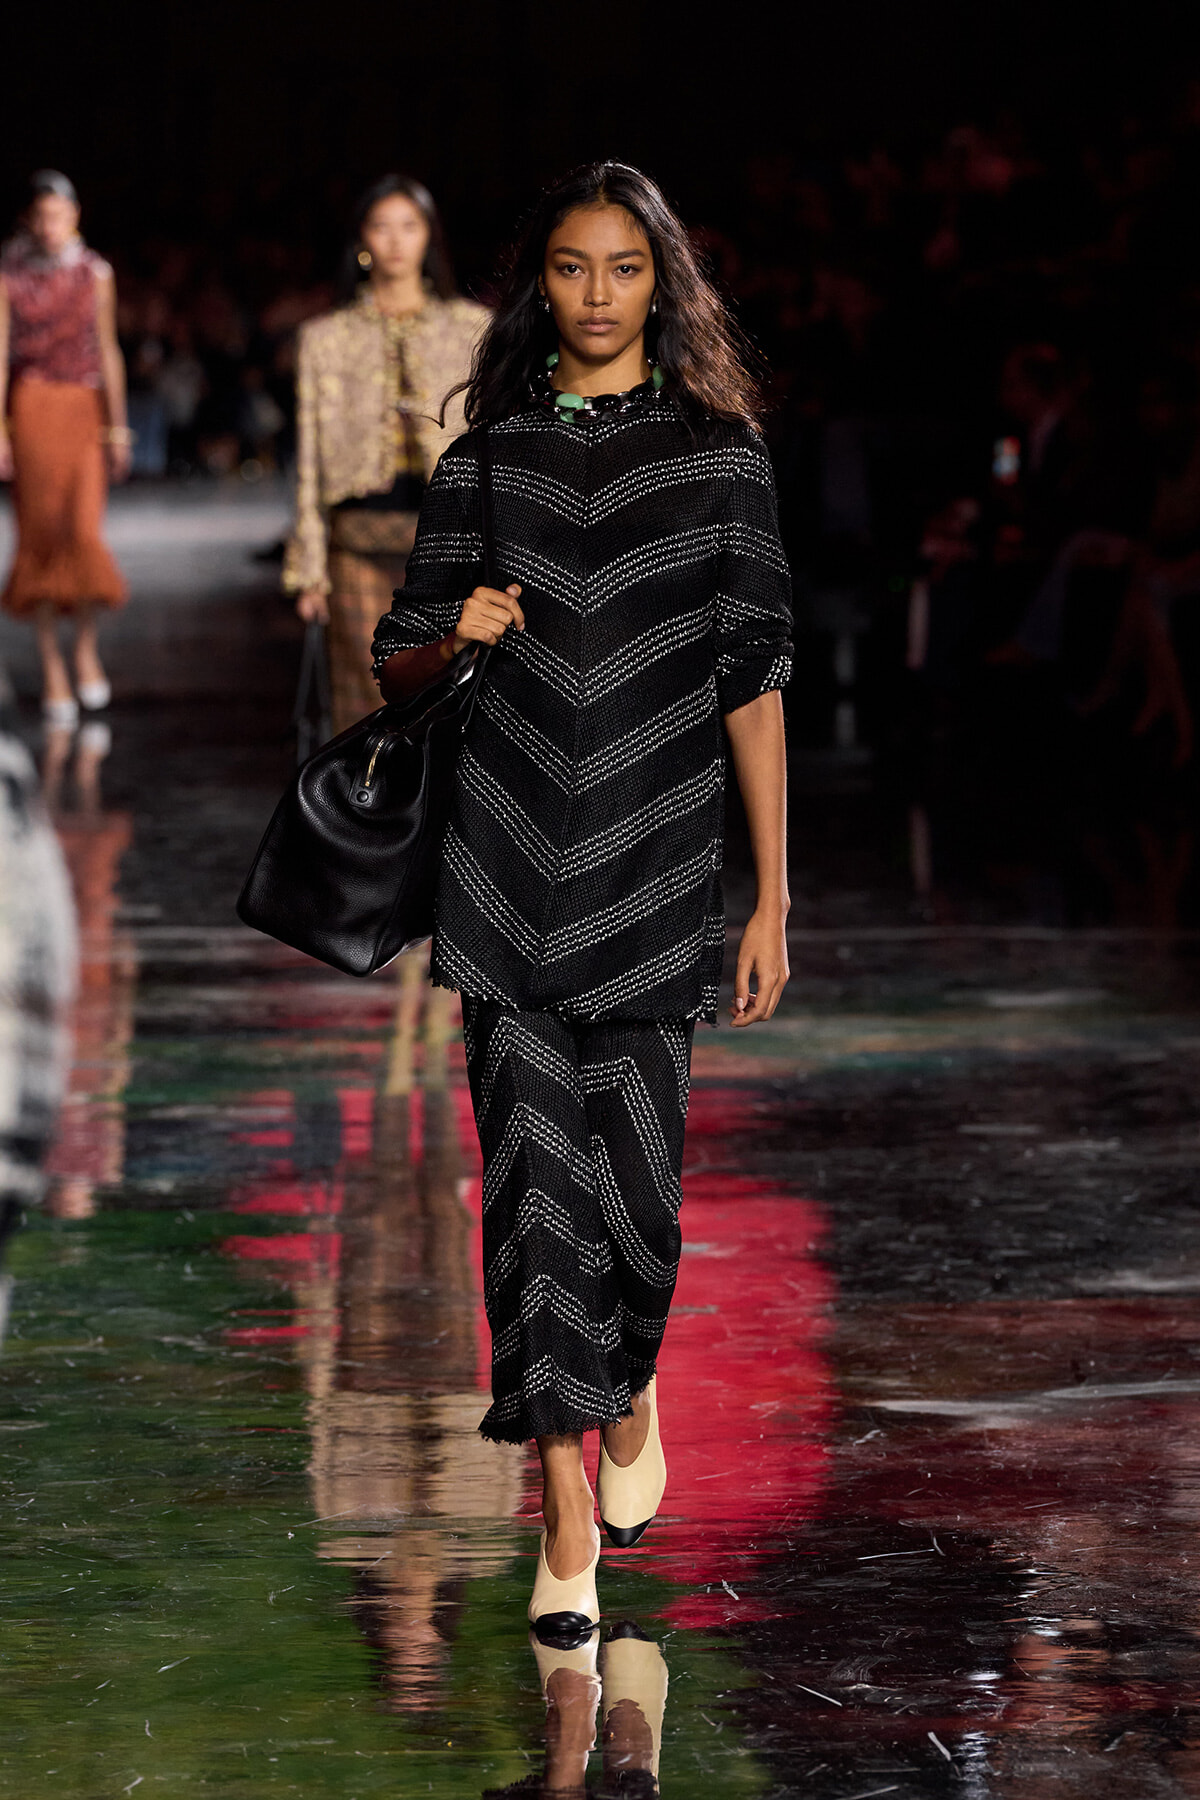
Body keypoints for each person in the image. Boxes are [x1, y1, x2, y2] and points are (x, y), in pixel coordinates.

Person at [372, 161, 792, 1641]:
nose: (597, 294)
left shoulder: (720, 458)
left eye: (624, 269)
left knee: (640, 1203)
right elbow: (401, 657)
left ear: (659, 283)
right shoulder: (487, 461)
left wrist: (772, 897)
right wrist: (455, 628)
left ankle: (629, 1387)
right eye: (570, 267)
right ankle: (563, 1517)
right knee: (536, 1195)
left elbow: (751, 685)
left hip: (663, 868)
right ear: (537, 283)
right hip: (504, 870)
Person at [283, 175, 487, 734]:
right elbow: (310, 459)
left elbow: (492, 449)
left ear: (429, 238)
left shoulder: (473, 330)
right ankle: (363, 815)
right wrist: (309, 572)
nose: (396, 240)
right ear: (362, 240)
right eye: (382, 225)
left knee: (448, 697)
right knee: (361, 700)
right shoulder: (325, 338)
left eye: (410, 225)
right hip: (356, 541)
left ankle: (438, 818)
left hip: (448, 545)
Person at [0, 171, 130, 727]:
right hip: (31, 406)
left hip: (83, 407)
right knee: (43, 536)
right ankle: (53, 665)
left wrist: (119, 426)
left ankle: (84, 649)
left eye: (62, 214)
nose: (52, 225)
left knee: (82, 532)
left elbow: (107, 348)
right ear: (31, 219)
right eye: (42, 215)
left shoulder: (95, 272)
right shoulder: (8, 273)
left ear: (75, 216)